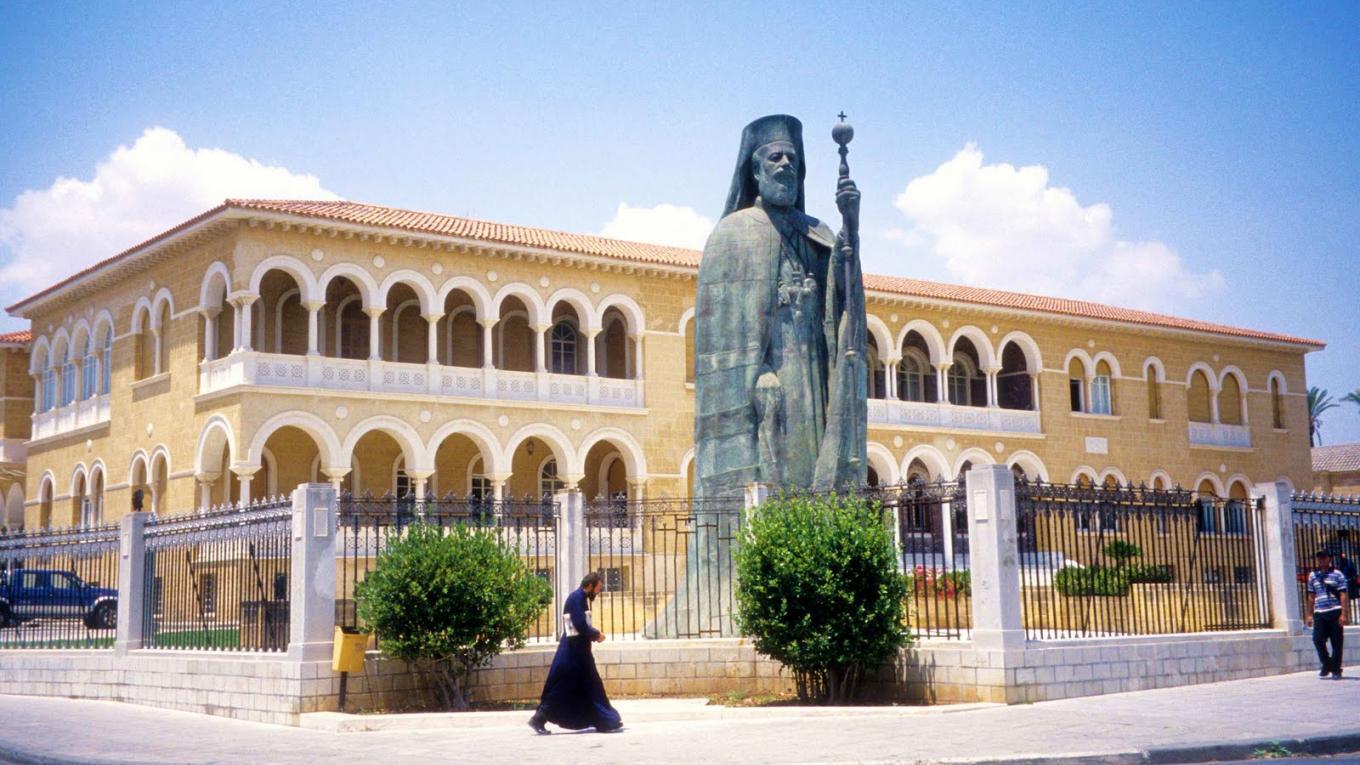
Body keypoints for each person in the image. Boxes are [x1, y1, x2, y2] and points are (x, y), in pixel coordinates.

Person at [693, 114, 867, 500]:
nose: (786, 165)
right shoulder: (732, 234)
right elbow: (720, 338)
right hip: (770, 381)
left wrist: (851, 228)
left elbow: (842, 299)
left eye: (793, 159)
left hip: (813, 375)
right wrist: (757, 373)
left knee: (812, 468)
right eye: (775, 158)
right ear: (755, 171)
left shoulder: (817, 232)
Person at [528, 572, 622, 734]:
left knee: (590, 687)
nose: (598, 592)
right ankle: (539, 718)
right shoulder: (577, 598)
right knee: (564, 688)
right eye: (598, 588)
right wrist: (597, 635)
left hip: (579, 652)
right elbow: (579, 624)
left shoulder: (579, 597)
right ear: (590, 586)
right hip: (573, 654)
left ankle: (605, 721)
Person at [1305, 549, 1348, 679]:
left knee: (1336, 642)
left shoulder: (1338, 574)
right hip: (1320, 612)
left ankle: (1336, 669)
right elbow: (1311, 596)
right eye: (1319, 558)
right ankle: (1327, 664)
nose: (1321, 560)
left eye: (1324, 557)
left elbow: (1343, 594)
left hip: (1334, 611)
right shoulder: (1313, 575)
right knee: (1317, 639)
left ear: (1330, 559)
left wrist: (1343, 614)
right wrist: (1309, 615)